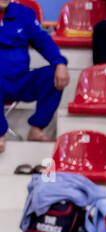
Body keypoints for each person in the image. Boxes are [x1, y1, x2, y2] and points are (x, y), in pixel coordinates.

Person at [0, 0, 69, 153]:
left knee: (53, 74)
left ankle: (37, 129)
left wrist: (60, 63)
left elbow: (44, 41)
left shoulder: (24, 13)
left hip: (20, 81)